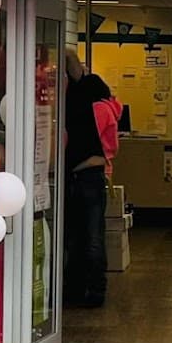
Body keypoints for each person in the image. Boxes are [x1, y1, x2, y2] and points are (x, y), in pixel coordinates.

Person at [63, 53, 110, 308]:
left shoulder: (86, 91)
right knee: (84, 235)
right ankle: (83, 288)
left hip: (86, 174)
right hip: (83, 173)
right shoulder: (83, 96)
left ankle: (90, 289)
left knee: (86, 236)